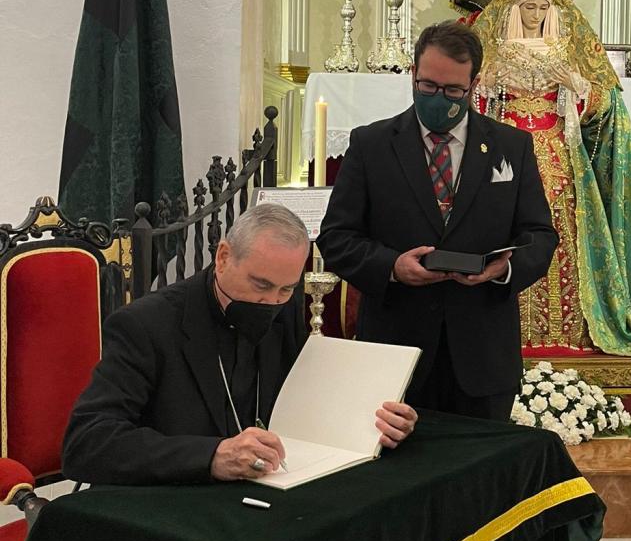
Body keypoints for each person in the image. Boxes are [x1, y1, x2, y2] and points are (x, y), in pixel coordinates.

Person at [62, 204, 417, 486]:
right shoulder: (144, 325)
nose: (271, 303)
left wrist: (376, 417)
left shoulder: (284, 306)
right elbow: (87, 443)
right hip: (172, 499)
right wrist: (212, 456)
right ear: (223, 257)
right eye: (261, 285)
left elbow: (306, 395)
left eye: (286, 289)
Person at [317, 21, 558, 421]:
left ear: (474, 84)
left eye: (452, 91)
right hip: (396, 354)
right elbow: (337, 237)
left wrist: (504, 269)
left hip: (482, 359)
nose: (437, 98)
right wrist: (392, 267)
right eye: (427, 86)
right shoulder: (371, 145)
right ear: (413, 74)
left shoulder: (510, 146)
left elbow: (540, 234)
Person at [473, 0, 631, 360]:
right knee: (505, 226)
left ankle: (567, 328)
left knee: (560, 228)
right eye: (529, 8)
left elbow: (603, 106)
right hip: (505, 157)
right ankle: (511, 327)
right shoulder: (493, 52)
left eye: (542, 8)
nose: (535, 16)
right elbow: (473, 108)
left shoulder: (567, 48)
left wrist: (577, 86)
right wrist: (483, 88)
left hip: (556, 152)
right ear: (513, 11)